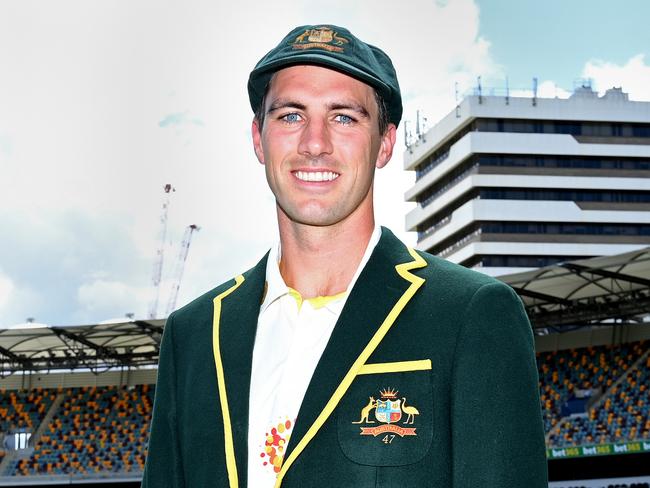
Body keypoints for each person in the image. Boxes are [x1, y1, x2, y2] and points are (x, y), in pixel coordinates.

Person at [142, 24, 548, 488]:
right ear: (258, 138)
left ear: (386, 143)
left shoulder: (470, 315)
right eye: (291, 116)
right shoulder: (194, 334)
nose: (315, 143)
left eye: (344, 118)